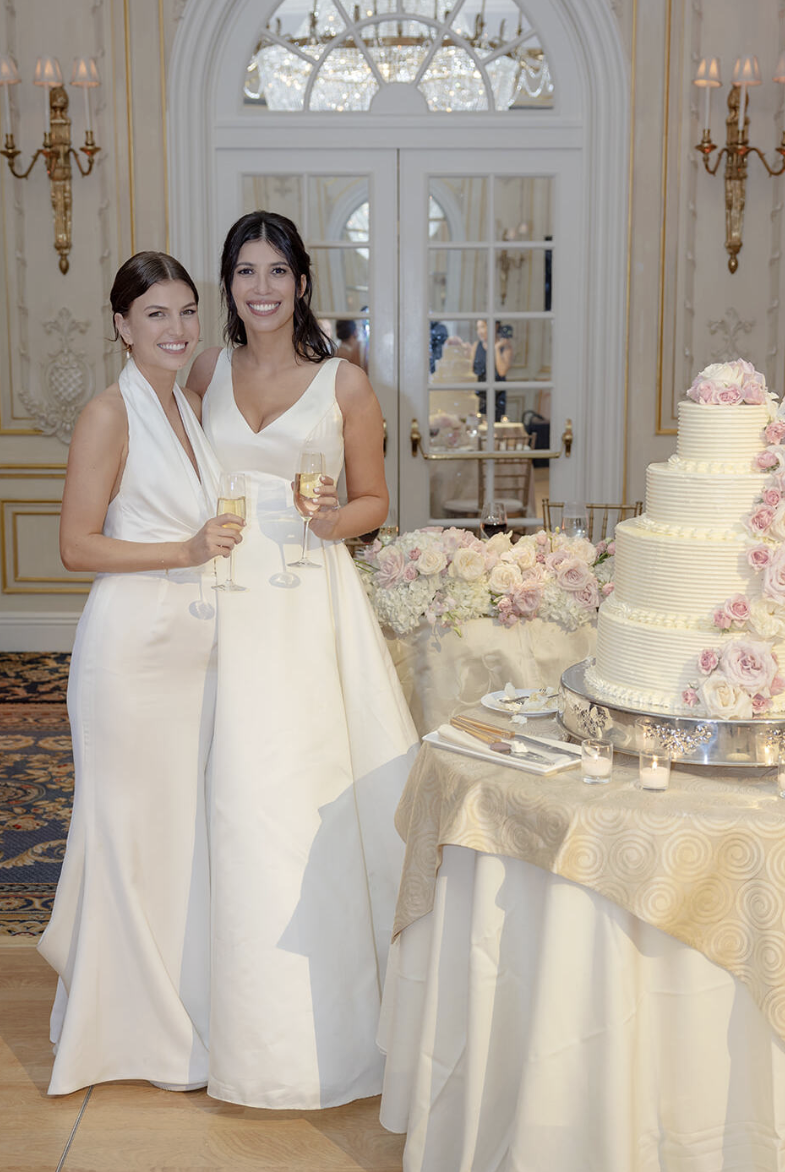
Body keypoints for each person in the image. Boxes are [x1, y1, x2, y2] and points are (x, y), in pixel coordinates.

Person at [186, 210, 418, 1110]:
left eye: (276, 271)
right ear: (228, 284)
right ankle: (215, 1015)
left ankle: (326, 1027)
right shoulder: (203, 369)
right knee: (224, 798)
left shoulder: (345, 383)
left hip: (305, 603)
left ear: (302, 283)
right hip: (215, 599)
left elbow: (374, 501)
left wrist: (331, 522)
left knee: (297, 788)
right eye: (245, 271)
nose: (261, 287)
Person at [37, 252, 242, 1095]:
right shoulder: (106, 416)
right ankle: (121, 1032)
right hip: (130, 657)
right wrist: (182, 551)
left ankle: (173, 1007)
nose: (177, 329)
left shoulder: (189, 407)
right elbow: (76, 544)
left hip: (192, 653)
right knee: (125, 834)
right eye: (155, 314)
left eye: (187, 312)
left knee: (176, 838)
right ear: (121, 325)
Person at [472, 318, 513, 420]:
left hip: (497, 396)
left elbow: (502, 371)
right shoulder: (476, 345)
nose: (480, 332)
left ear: (495, 327)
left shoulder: (506, 347)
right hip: (479, 394)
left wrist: (496, 349)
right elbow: (471, 371)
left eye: (483, 327)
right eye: (478, 328)